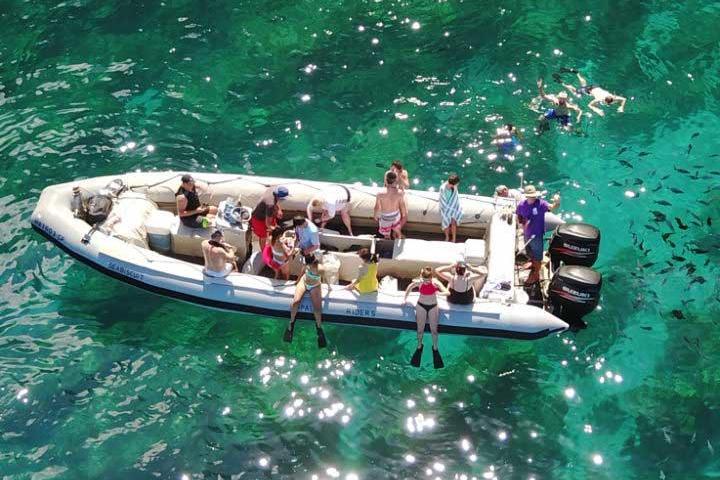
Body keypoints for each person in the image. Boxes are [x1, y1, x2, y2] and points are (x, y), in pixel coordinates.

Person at [403, 267, 450, 369]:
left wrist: (438, 293)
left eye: (428, 280)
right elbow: (409, 287)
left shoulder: (435, 283)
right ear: (421, 277)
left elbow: (447, 292)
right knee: (420, 330)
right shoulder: (419, 282)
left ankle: (435, 347)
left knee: (434, 331)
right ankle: (419, 346)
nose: (426, 282)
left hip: (433, 306)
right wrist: (405, 299)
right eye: (424, 280)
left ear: (431, 278)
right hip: (421, 306)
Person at [515, 185, 561, 285]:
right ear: (526, 196)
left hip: (536, 235)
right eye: (530, 196)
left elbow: (552, 208)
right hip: (527, 234)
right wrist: (522, 223)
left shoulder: (541, 204)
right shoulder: (522, 205)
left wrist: (556, 203)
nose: (533, 197)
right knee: (529, 252)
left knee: (537, 256)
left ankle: (536, 274)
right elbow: (519, 215)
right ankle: (532, 264)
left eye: (534, 195)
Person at [284, 254, 327, 348]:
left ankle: (319, 327)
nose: (307, 265)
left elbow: (324, 279)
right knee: (296, 302)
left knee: (317, 308)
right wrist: (297, 280)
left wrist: (329, 288)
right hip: (304, 282)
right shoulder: (306, 264)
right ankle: (291, 323)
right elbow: (303, 271)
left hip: (315, 285)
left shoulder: (320, 269)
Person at [562, 71, 626, 116]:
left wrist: (621, 107)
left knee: (584, 85)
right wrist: (596, 109)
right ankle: (567, 85)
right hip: (589, 90)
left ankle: (577, 73)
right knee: (576, 93)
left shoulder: (612, 96)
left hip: (595, 86)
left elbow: (624, 99)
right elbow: (589, 105)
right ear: (605, 101)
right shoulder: (599, 99)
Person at [250, 185, 289, 251]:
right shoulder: (270, 205)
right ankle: (264, 252)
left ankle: (270, 243)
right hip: (258, 219)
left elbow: (275, 201)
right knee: (263, 237)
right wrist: (276, 230)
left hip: (267, 213)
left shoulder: (273, 189)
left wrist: (278, 210)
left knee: (271, 229)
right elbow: (268, 224)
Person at [374, 171, 407, 239]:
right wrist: (403, 214)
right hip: (395, 216)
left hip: (385, 217)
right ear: (396, 180)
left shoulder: (380, 194)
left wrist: (375, 215)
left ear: (386, 181)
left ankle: (388, 240)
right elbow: (402, 206)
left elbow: (377, 207)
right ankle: (399, 236)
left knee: (386, 234)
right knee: (397, 229)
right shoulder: (400, 193)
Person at [438, 174, 463, 242]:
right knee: (446, 223)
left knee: (453, 222)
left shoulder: (454, 188)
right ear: (454, 183)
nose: (458, 184)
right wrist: (448, 209)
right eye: (457, 183)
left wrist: (453, 208)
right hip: (445, 208)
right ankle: (447, 237)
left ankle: (454, 238)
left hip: (453, 208)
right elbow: (442, 200)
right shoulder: (442, 188)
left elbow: (455, 198)